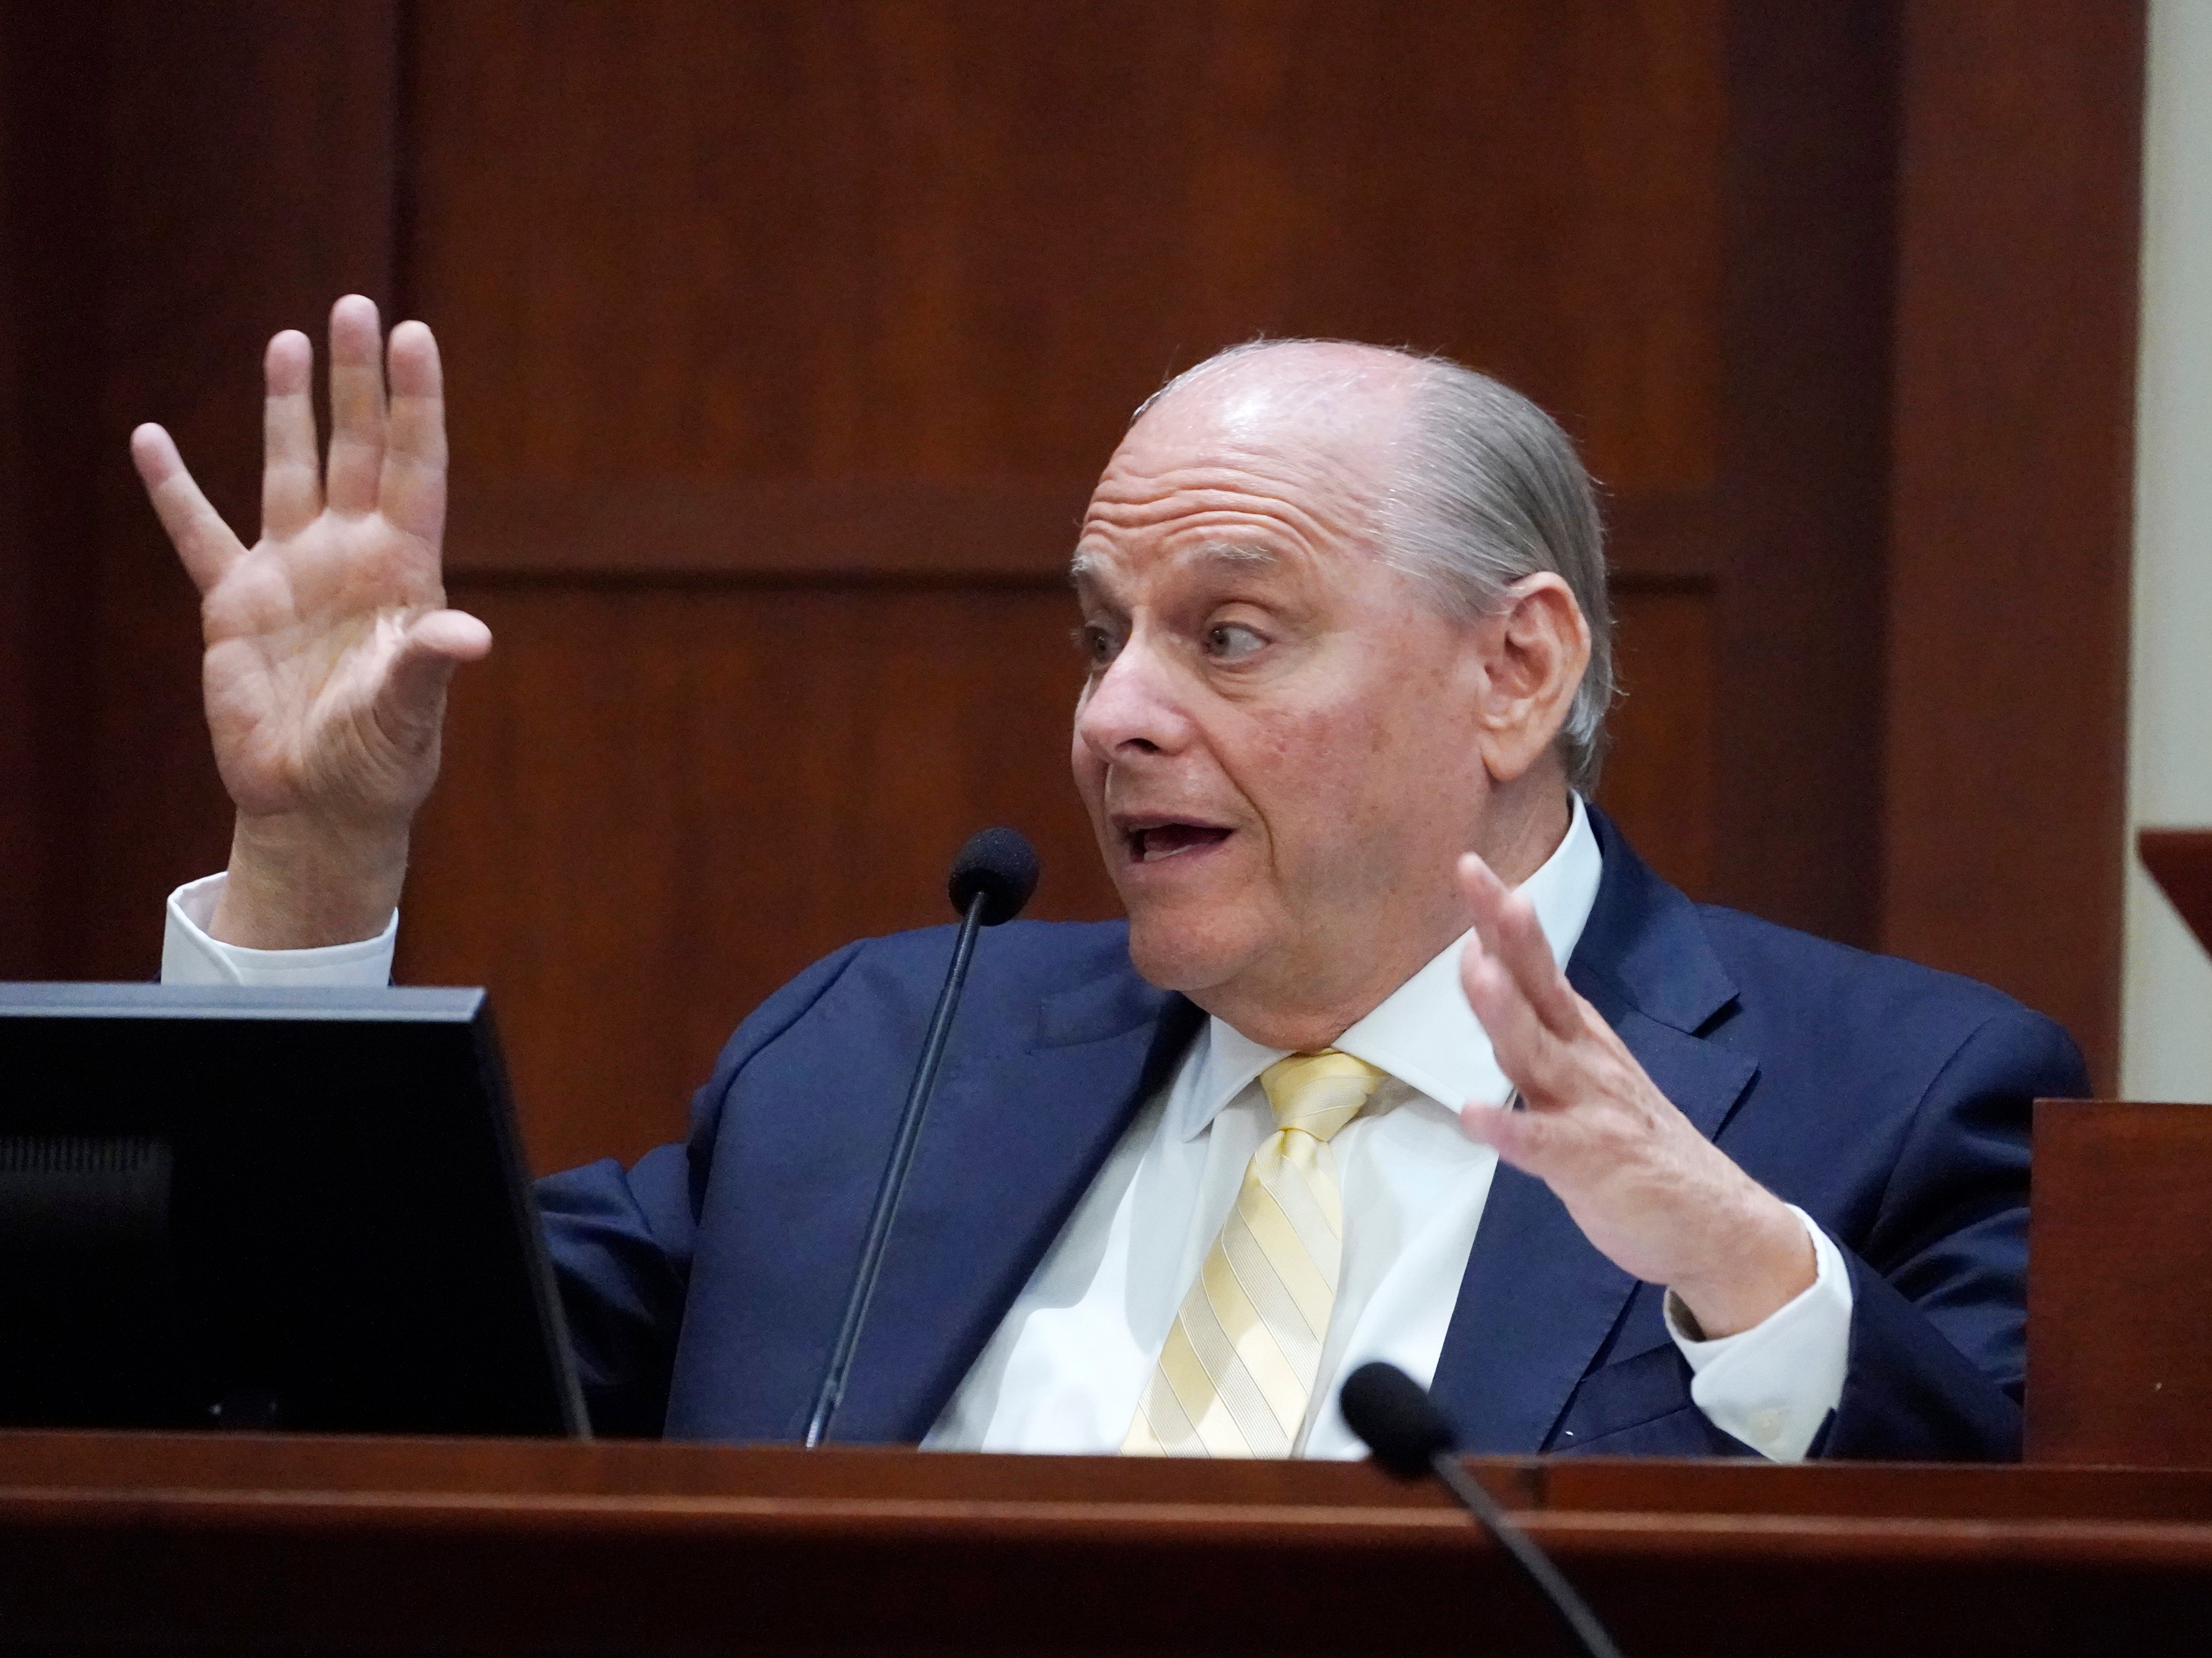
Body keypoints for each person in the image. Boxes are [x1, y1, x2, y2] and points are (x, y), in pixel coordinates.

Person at [137, 296, 2084, 1460]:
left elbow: (2004, 1574)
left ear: (1515, 670)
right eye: (1098, 638)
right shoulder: (878, 1065)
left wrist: (1742, 1277)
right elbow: (341, 1380)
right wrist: (315, 858)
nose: (1114, 717)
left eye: (1228, 637)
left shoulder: (1881, 1105)